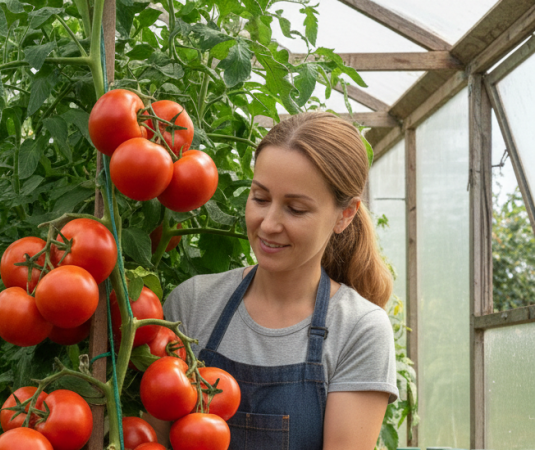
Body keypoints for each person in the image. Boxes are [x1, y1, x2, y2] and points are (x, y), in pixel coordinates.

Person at [162, 112, 398, 450]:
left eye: (296, 209)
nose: (269, 224)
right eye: (260, 198)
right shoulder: (193, 303)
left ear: (345, 215)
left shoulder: (358, 329)